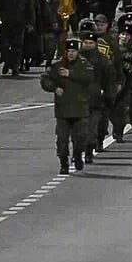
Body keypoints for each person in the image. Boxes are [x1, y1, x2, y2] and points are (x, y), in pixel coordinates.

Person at [41, 38, 94, 174]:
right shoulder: (58, 65)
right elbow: (45, 79)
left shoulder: (84, 64)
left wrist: (70, 74)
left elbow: (89, 76)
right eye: (68, 51)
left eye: (73, 51)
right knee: (62, 140)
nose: (70, 54)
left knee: (81, 137)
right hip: (63, 110)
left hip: (80, 108)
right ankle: (63, 162)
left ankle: (77, 155)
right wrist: (54, 88)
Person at [78, 31, 118, 163]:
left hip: (95, 100)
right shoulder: (74, 58)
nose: (88, 45)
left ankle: (89, 151)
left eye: (91, 43)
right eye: (86, 43)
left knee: (92, 128)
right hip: (77, 100)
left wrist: (109, 95)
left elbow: (109, 78)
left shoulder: (102, 59)